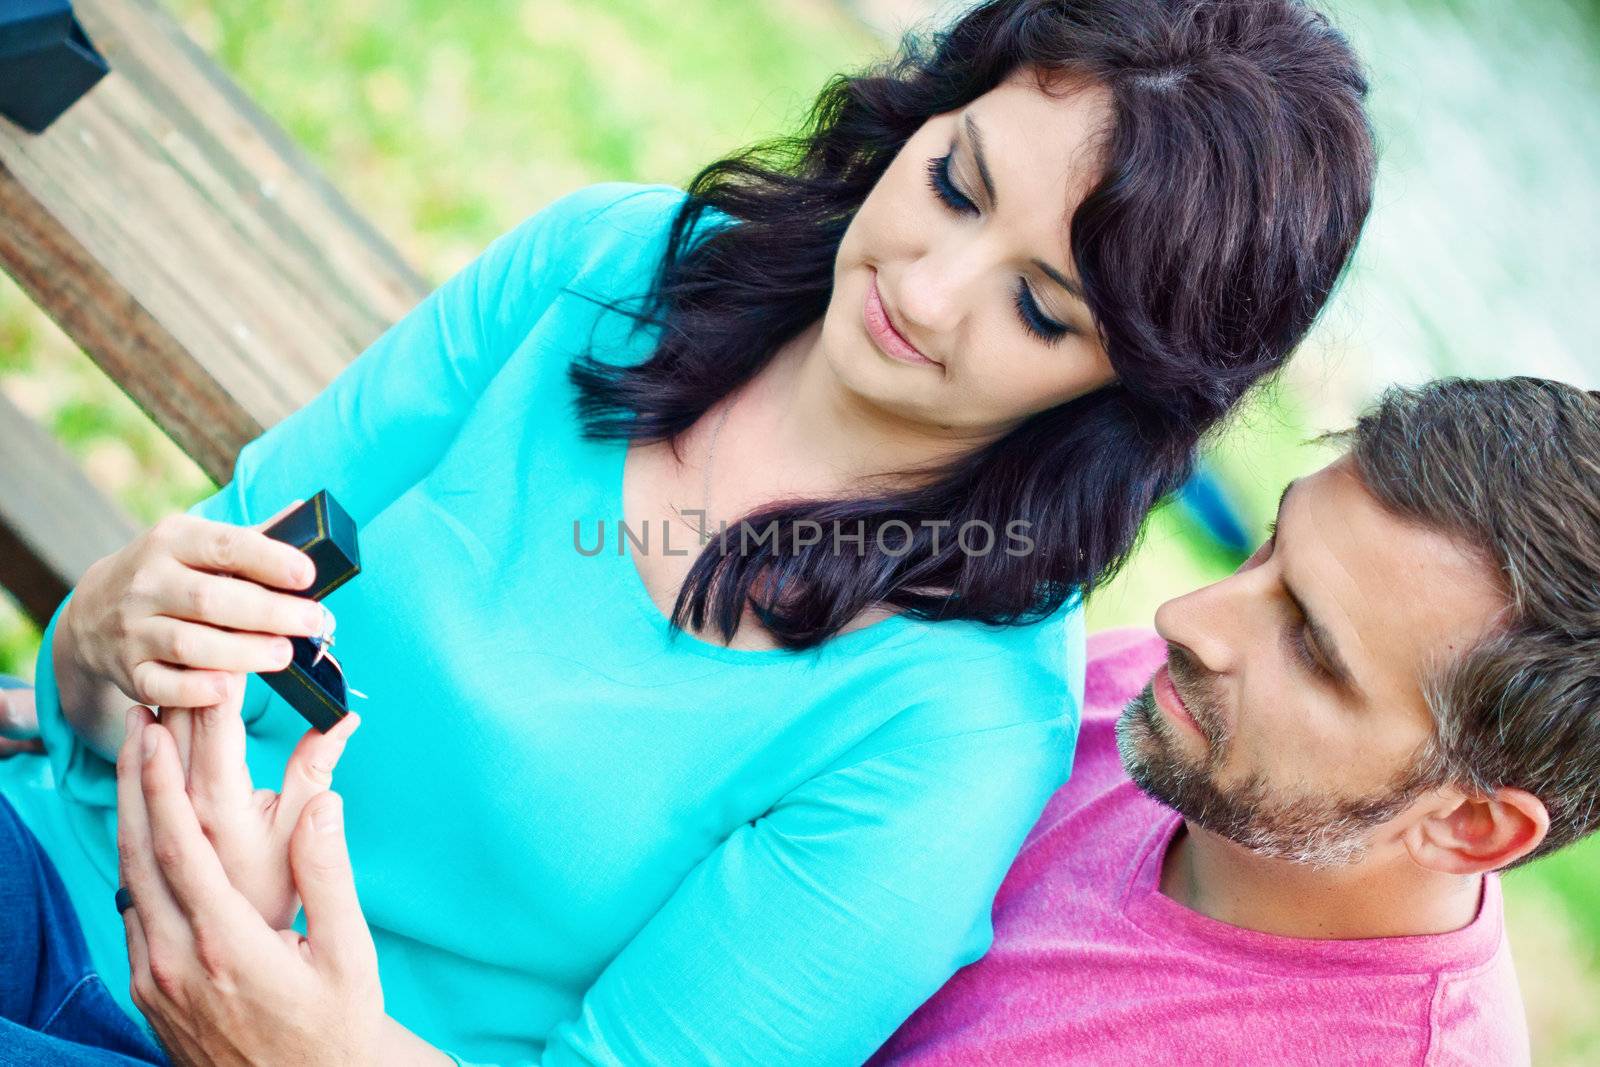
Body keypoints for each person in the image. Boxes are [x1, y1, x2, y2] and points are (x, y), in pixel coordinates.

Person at [0, 1, 1377, 1062]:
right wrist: (98, 644)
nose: (932, 288)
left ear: (1123, 384)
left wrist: (275, 998)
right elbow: (202, 591)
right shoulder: (605, 267)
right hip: (57, 868)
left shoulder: (947, 726)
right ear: (922, 112)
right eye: (957, 183)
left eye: (1041, 309)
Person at [868, 377, 1600, 1066]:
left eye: (1312, 648)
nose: (1181, 620)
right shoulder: (1163, 697)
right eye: (1272, 546)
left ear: (1470, 824)